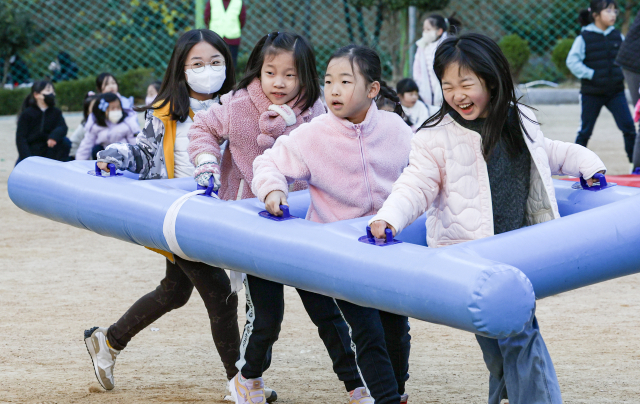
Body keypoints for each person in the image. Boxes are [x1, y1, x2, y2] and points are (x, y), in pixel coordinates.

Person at [370, 33, 608, 404]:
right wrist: (390, 217)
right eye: (448, 86)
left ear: (491, 81)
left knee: (517, 337)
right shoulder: (435, 137)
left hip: (519, 251)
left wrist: (587, 163)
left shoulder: (517, 119)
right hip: (473, 258)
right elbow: (415, 184)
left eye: (466, 84)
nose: (457, 95)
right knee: (499, 347)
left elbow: (547, 152)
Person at [83, 29, 284, 401]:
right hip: (178, 218)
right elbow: (144, 153)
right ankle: (240, 383)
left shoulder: (238, 104)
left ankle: (108, 342)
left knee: (174, 292)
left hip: (224, 216)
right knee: (220, 293)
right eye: (198, 63)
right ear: (181, 67)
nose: (208, 70)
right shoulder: (165, 110)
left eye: (215, 62)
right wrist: (116, 156)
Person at [187, 32, 365, 404]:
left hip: (306, 227)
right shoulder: (238, 105)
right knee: (267, 317)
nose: (279, 83)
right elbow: (202, 128)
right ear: (259, 71)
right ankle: (247, 379)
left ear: (305, 76)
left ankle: (356, 384)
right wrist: (206, 163)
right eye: (271, 73)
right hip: (255, 230)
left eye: (290, 75)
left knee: (328, 312)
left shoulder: (316, 111)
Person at [252, 44, 413, 404]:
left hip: (390, 252)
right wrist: (273, 190)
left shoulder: (395, 129)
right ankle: (386, 399)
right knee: (367, 331)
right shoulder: (314, 134)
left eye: (345, 81)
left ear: (372, 89)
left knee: (396, 330)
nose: (334, 90)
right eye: (328, 82)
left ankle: (398, 392)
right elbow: (267, 163)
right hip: (341, 256)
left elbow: (422, 172)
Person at [566, 0, 636, 167]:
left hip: (616, 92)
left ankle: (636, 166)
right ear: (596, 15)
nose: (613, 15)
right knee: (585, 131)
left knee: (629, 127)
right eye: (608, 11)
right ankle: (573, 167)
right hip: (591, 93)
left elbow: (626, 59)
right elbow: (572, 61)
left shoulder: (617, 35)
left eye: (615, 11)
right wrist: (591, 74)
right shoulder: (584, 37)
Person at [412, 13, 461, 108]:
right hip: (426, 91)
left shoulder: (447, 45)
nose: (424, 32)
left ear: (439, 31)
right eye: (424, 29)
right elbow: (417, 68)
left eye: (428, 29)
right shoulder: (422, 46)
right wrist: (419, 83)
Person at [15, 80, 70, 164]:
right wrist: (27, 158)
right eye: (48, 91)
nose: (51, 94)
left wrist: (54, 136)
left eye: (53, 91)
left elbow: (62, 127)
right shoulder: (27, 114)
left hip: (50, 149)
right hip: (32, 151)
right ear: (36, 95)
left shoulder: (56, 112)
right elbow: (21, 138)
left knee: (65, 142)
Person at [75, 92, 139, 160]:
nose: (116, 111)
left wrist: (138, 160)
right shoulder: (95, 125)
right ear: (103, 110)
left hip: (124, 155)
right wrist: (79, 162)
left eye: (118, 107)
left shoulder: (128, 123)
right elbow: (86, 145)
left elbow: (135, 142)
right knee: (96, 149)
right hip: (104, 156)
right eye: (112, 108)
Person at [205, 0, 246, 67]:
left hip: (233, 40)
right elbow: (207, 18)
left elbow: (242, 19)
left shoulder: (238, 2)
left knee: (231, 64)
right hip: (215, 40)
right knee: (214, 63)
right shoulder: (212, 1)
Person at [68, 92, 97, 160]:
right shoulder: (85, 127)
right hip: (80, 158)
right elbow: (76, 146)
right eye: (94, 108)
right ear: (88, 112)